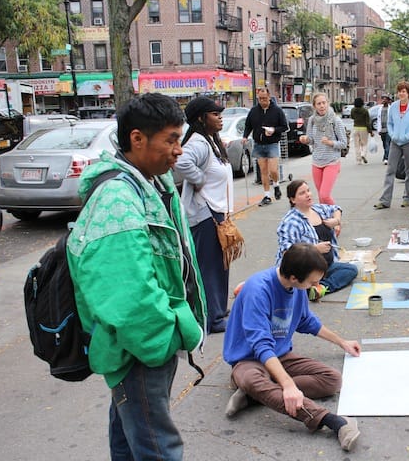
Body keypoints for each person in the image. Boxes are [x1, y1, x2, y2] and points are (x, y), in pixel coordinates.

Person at [66, 93, 206, 460]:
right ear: (137, 139)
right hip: (140, 350)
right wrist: (162, 338)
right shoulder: (117, 197)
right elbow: (125, 290)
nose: (179, 149)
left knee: (131, 440)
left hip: (142, 345)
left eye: (180, 138)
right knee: (157, 448)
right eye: (171, 139)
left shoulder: (151, 183)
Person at [223, 243, 362, 452]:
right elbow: (260, 345)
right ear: (295, 278)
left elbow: (307, 321)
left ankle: (255, 396)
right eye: (313, 282)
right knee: (252, 378)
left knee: (332, 380)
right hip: (249, 359)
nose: (316, 287)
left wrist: (342, 342)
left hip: (280, 355)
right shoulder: (258, 290)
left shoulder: (296, 288)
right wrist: (287, 385)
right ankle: (334, 421)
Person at [174, 96, 233, 333]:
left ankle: (218, 307)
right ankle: (212, 318)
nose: (220, 118)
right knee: (210, 267)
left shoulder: (209, 141)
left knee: (221, 265)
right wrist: (198, 180)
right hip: (205, 214)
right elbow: (182, 161)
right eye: (215, 114)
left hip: (216, 212)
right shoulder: (198, 142)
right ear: (201, 118)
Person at [277, 179, 358, 301]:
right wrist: (314, 249)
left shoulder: (318, 209)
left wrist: (336, 221)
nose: (308, 194)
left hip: (325, 266)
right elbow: (287, 253)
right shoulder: (290, 222)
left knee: (351, 270)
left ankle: (319, 288)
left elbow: (336, 208)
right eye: (302, 193)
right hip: (304, 270)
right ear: (293, 200)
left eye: (308, 191)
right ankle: (309, 286)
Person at [374, 81, 409, 209]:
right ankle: (385, 200)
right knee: (390, 170)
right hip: (395, 142)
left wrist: (408, 136)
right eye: (399, 91)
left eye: (404, 91)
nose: (401, 94)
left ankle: (408, 197)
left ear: (408, 93)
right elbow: (389, 123)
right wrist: (392, 134)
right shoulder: (394, 107)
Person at [298, 93, 348, 204]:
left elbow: (344, 143)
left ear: (328, 103)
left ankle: (337, 216)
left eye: (324, 103)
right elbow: (311, 139)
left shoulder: (335, 120)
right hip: (317, 161)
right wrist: (305, 139)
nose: (322, 106)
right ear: (314, 106)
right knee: (321, 197)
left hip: (331, 161)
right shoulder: (312, 120)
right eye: (319, 103)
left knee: (324, 195)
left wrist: (330, 142)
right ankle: (325, 220)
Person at [243, 87, 289, 206]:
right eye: (260, 99)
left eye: (264, 98)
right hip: (259, 144)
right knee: (263, 171)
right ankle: (267, 195)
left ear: (269, 97)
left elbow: (285, 127)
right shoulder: (253, 111)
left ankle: (276, 185)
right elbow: (248, 125)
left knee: (273, 170)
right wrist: (245, 136)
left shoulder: (277, 111)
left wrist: (274, 130)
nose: (262, 101)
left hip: (272, 143)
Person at [349, 97, 372, 165]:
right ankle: (363, 154)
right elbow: (367, 122)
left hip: (356, 128)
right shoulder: (365, 111)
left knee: (357, 145)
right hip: (364, 128)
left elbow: (352, 117)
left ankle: (358, 160)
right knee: (364, 144)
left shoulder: (353, 110)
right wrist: (370, 131)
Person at [376, 94, 392, 165]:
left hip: (389, 129)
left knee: (387, 143)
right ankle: (386, 156)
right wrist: (378, 129)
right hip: (382, 129)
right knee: (384, 145)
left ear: (388, 101)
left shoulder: (390, 108)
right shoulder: (380, 109)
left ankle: (386, 158)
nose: (384, 100)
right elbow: (378, 119)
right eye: (383, 99)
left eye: (385, 99)